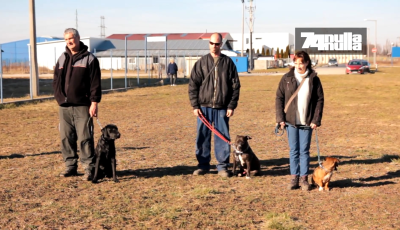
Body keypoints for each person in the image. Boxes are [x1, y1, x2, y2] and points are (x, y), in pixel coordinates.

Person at [188, 33, 241, 178]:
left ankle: (222, 166)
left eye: (217, 44)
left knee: (222, 136)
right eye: (212, 43)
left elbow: (235, 86)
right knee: (202, 137)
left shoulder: (228, 63)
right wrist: (195, 106)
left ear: (221, 44)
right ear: (209, 44)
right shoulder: (201, 63)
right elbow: (193, 85)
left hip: (222, 107)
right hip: (203, 107)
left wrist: (231, 106)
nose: (214, 46)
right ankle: (203, 165)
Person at [53, 28, 102, 181]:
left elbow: (95, 83)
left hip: (83, 106)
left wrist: (94, 102)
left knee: (85, 137)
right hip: (64, 107)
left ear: (78, 38)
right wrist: (59, 97)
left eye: (71, 38)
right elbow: (56, 80)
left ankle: (89, 168)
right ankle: (70, 166)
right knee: (66, 137)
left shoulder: (90, 59)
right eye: (66, 39)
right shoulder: (62, 58)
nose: (69, 41)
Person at [275, 50, 324, 191]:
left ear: (307, 62)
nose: (298, 66)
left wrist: (316, 119)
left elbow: (319, 100)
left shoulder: (313, 79)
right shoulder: (286, 78)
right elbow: (279, 98)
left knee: (304, 151)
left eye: (301, 63)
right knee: (294, 151)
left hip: (307, 122)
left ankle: (304, 179)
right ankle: (294, 178)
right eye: (296, 63)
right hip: (290, 121)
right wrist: (280, 119)